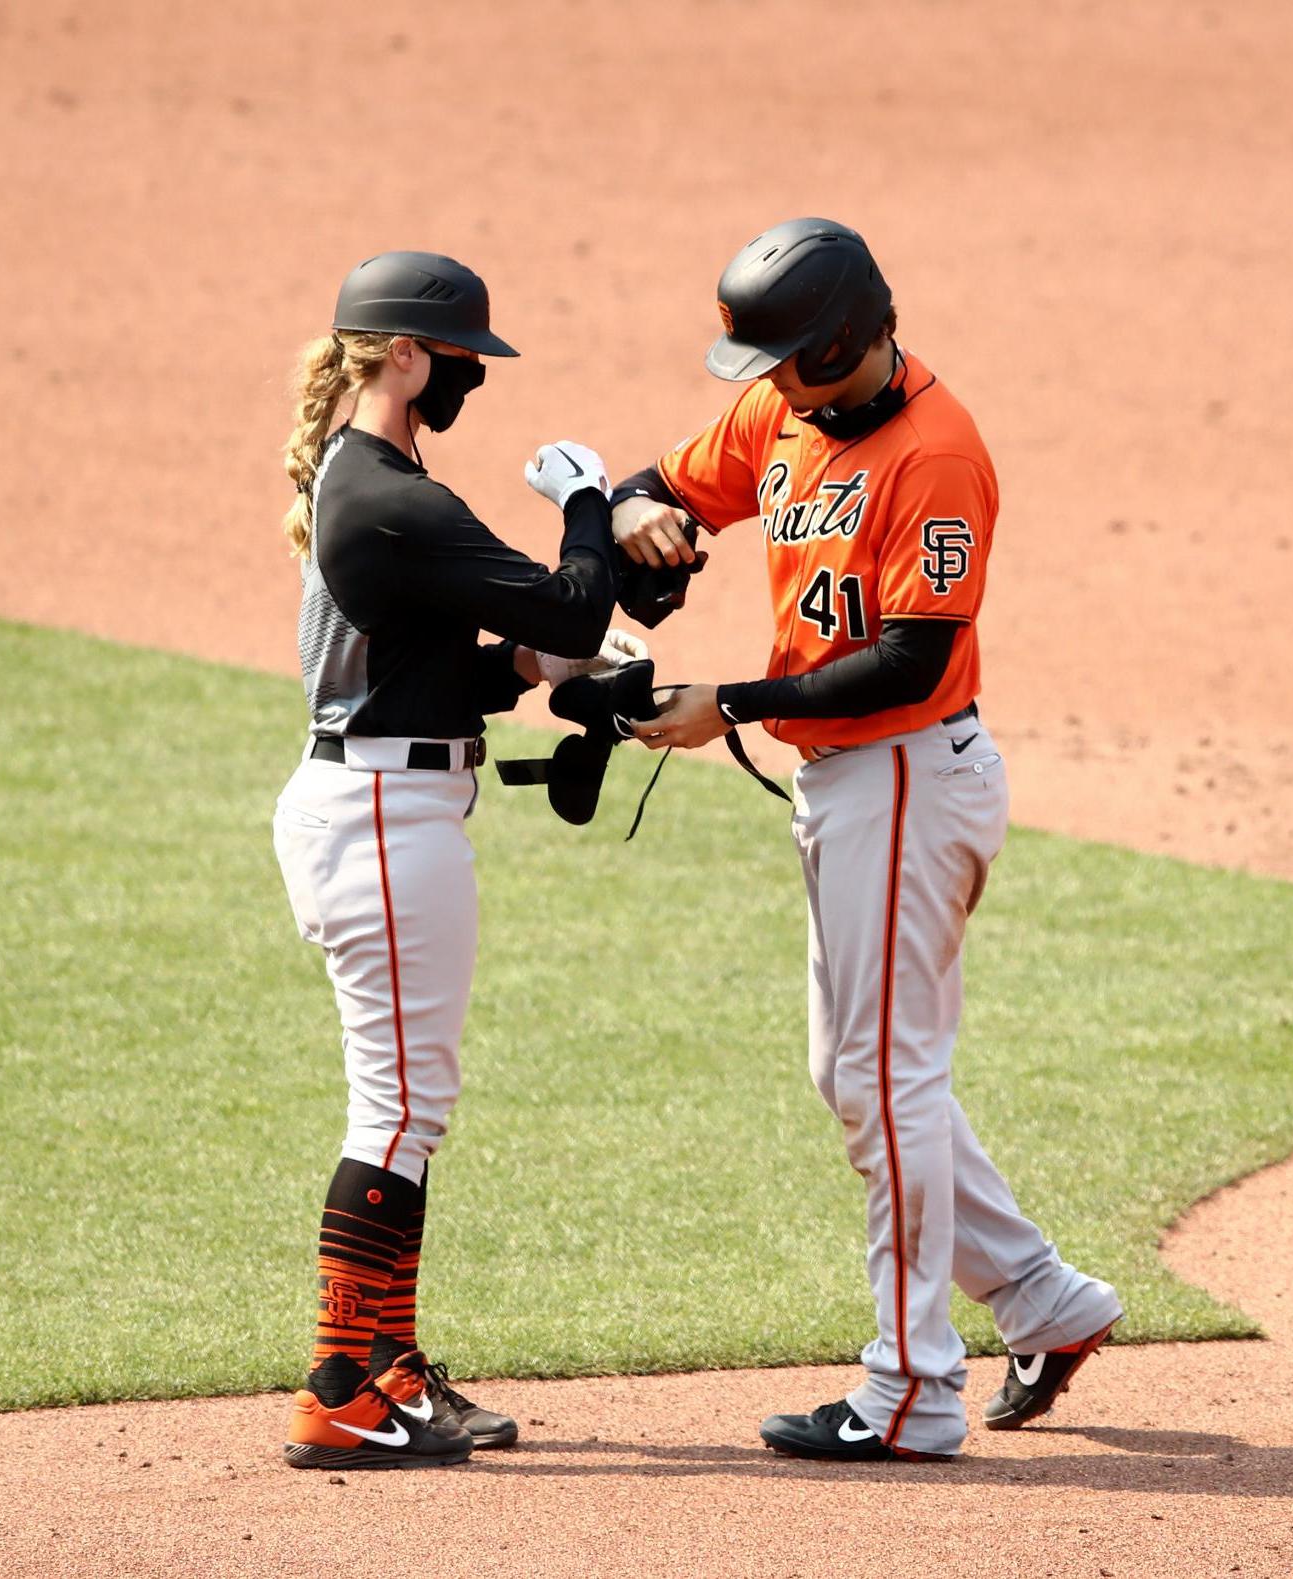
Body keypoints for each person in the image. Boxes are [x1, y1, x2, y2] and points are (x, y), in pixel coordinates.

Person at [612, 218, 1124, 1462]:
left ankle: (909, 1389)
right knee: (857, 1079)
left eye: (782, 358)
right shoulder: (786, 415)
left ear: (841, 341)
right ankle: (1041, 1300)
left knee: (888, 1082)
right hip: (846, 784)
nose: (764, 382)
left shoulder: (933, 457)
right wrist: (640, 518)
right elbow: (663, 482)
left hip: (903, 771)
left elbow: (913, 655)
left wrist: (725, 705)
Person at [271, 250, 637, 1470]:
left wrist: (529, 674)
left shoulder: (370, 477)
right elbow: (575, 604)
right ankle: (338, 1384)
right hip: (381, 818)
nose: (474, 375)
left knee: (410, 1106)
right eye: (465, 356)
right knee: (400, 1106)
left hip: (375, 793)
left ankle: (387, 1365)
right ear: (410, 354)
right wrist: (585, 501)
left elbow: (430, 672)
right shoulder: (387, 494)